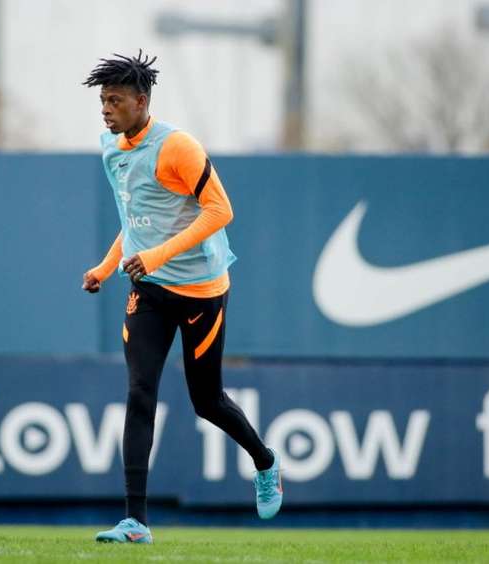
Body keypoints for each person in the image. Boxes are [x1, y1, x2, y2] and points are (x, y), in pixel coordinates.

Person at [81, 51, 282, 544]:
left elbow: (220, 211)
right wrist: (107, 269)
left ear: (142, 100)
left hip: (200, 291)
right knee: (138, 393)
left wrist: (157, 256)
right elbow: (135, 224)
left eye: (115, 100)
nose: (106, 110)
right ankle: (136, 522)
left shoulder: (178, 148)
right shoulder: (112, 147)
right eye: (102, 100)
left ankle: (265, 462)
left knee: (206, 400)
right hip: (148, 290)